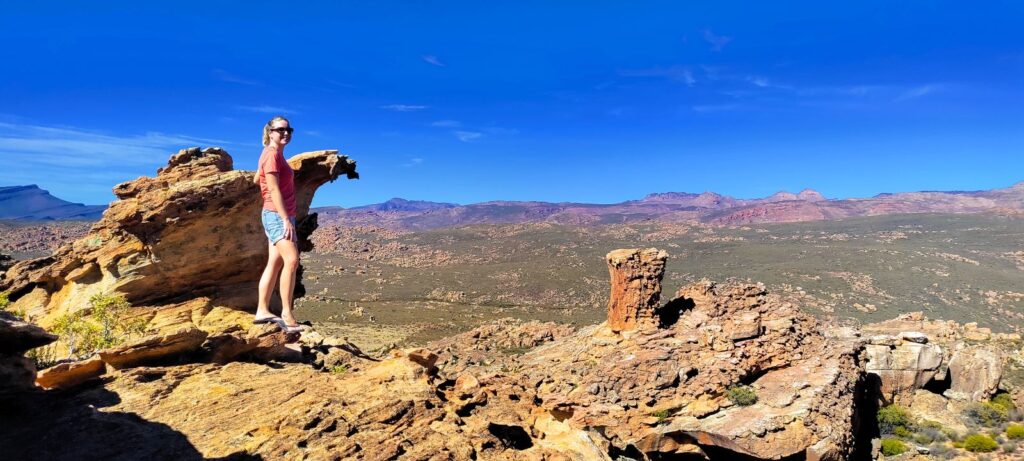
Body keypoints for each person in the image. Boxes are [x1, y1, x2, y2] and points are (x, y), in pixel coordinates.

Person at [253, 116, 303, 332]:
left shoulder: (273, 155)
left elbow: (257, 179)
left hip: (277, 213)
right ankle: (287, 314)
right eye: (280, 130)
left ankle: (262, 310)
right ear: (270, 132)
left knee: (275, 263)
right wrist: (285, 220)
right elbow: (272, 189)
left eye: (289, 130)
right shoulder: (272, 155)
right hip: (277, 215)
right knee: (292, 260)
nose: (286, 133)